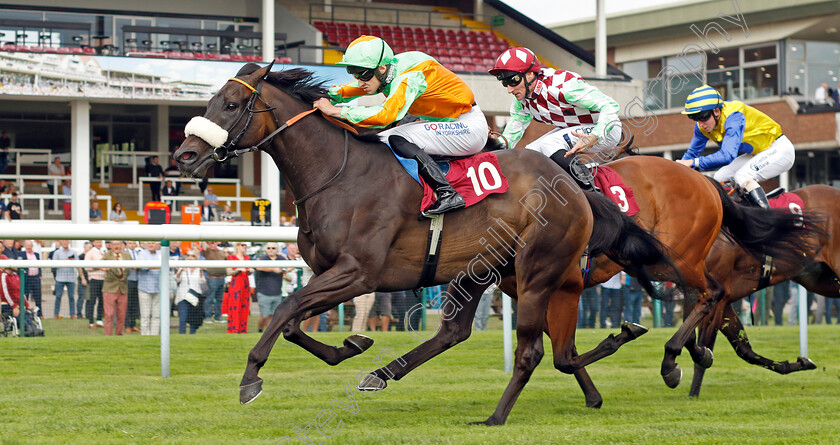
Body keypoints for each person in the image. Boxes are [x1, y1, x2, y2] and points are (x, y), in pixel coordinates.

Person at [313, 35, 488, 216]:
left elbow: (385, 115)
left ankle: (447, 193)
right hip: (446, 121)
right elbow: (357, 87)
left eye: (363, 74)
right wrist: (327, 94)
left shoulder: (407, 78)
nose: (359, 81)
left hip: (467, 126)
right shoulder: (388, 69)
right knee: (382, 138)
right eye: (354, 73)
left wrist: (336, 111)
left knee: (397, 137)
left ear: (381, 68)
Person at [489, 47, 622, 192]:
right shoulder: (520, 103)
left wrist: (595, 135)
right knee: (527, 155)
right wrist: (489, 147)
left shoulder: (562, 87)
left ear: (529, 74)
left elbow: (610, 105)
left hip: (607, 129)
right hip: (574, 130)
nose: (509, 89)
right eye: (504, 83)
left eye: (513, 80)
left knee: (550, 143)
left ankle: (593, 194)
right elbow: (509, 139)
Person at [676, 85, 794, 209]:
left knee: (742, 176)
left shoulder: (734, 117)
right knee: (719, 177)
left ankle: (767, 221)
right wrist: (677, 170)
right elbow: (691, 154)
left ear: (716, 111)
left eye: (703, 116)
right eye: (694, 117)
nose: (700, 123)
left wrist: (693, 163)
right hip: (758, 153)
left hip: (780, 149)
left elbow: (727, 156)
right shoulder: (701, 126)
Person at [254, 242, 286, 333]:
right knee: (264, 315)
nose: (271, 250)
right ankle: (260, 330)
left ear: (277, 250)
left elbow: (288, 268)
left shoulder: (281, 259)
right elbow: (258, 267)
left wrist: (282, 272)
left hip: (277, 292)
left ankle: (268, 333)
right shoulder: (263, 258)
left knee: (272, 315)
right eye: (268, 248)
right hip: (264, 292)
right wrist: (273, 269)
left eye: (273, 248)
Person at [102, 240, 131, 336]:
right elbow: (98, 266)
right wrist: (106, 268)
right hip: (110, 288)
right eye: (114, 244)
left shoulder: (127, 256)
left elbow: (134, 267)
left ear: (121, 245)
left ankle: (119, 334)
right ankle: (108, 335)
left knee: (121, 314)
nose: (116, 246)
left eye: (118, 244)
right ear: (110, 246)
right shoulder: (107, 255)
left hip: (123, 288)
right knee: (109, 314)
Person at [174, 249, 205, 334]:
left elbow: (202, 281)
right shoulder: (182, 266)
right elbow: (176, 279)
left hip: (194, 295)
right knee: (182, 318)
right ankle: (182, 335)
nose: (190, 257)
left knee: (193, 318)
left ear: (196, 258)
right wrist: (180, 271)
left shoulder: (198, 268)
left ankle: (192, 335)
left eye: (192, 255)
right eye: (188, 255)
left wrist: (201, 271)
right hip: (183, 296)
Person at [225, 242, 252, 333]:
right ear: (237, 246)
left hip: (245, 284)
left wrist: (250, 270)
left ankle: (243, 329)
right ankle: (234, 328)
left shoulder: (247, 258)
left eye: (245, 245)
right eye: (242, 245)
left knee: (245, 306)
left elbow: (250, 269)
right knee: (235, 305)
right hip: (236, 284)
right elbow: (229, 272)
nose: (244, 247)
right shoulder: (231, 257)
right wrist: (238, 269)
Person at [136, 241, 162, 335]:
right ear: (146, 244)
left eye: (153, 243)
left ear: (157, 244)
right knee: (145, 315)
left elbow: (166, 266)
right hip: (145, 288)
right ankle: (145, 335)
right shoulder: (141, 254)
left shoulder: (160, 254)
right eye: (149, 243)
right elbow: (143, 267)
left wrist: (154, 267)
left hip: (158, 288)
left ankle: (154, 335)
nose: (151, 245)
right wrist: (157, 266)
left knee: (156, 315)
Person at [52, 239, 79, 319]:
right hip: (60, 278)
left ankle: (72, 314)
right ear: (61, 242)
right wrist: (64, 261)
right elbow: (54, 265)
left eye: (67, 241)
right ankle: (56, 314)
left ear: (69, 242)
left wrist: (72, 261)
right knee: (58, 296)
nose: (65, 242)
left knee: (71, 297)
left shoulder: (73, 252)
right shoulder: (57, 252)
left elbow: (78, 263)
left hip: (71, 278)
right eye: (64, 241)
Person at [201, 241, 226, 323]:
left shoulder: (221, 252)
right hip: (212, 278)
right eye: (211, 243)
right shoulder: (207, 251)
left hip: (222, 277)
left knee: (219, 299)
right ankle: (207, 316)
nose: (213, 244)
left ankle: (218, 316)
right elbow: (203, 246)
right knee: (210, 298)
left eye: (214, 242)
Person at [84, 239, 105, 329]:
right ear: (93, 243)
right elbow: (87, 267)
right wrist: (99, 268)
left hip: (103, 279)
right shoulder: (90, 253)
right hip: (94, 279)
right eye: (97, 242)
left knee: (102, 300)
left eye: (100, 242)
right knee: (92, 301)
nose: (99, 243)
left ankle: (99, 319)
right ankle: (91, 321)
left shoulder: (103, 252)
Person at [20, 240, 42, 318]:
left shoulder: (37, 255)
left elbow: (39, 266)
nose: (29, 247)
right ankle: (25, 314)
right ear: (25, 246)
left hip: (36, 278)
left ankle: (40, 314)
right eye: (27, 245)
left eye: (30, 245)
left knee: (38, 297)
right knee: (25, 296)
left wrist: (40, 275)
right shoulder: (21, 254)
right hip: (27, 278)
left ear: (32, 246)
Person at [124, 240, 141, 333]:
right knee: (128, 304)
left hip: (137, 280)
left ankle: (133, 324)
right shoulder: (125, 254)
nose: (132, 245)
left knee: (135, 304)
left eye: (134, 243)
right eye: (130, 243)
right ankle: (127, 325)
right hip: (128, 280)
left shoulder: (139, 253)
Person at [76, 241, 91, 322]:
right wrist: (83, 278)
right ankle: (79, 313)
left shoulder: (91, 257)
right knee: (81, 297)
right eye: (88, 247)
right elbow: (79, 268)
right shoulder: (81, 256)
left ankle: (88, 314)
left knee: (89, 298)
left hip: (90, 280)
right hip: (83, 280)